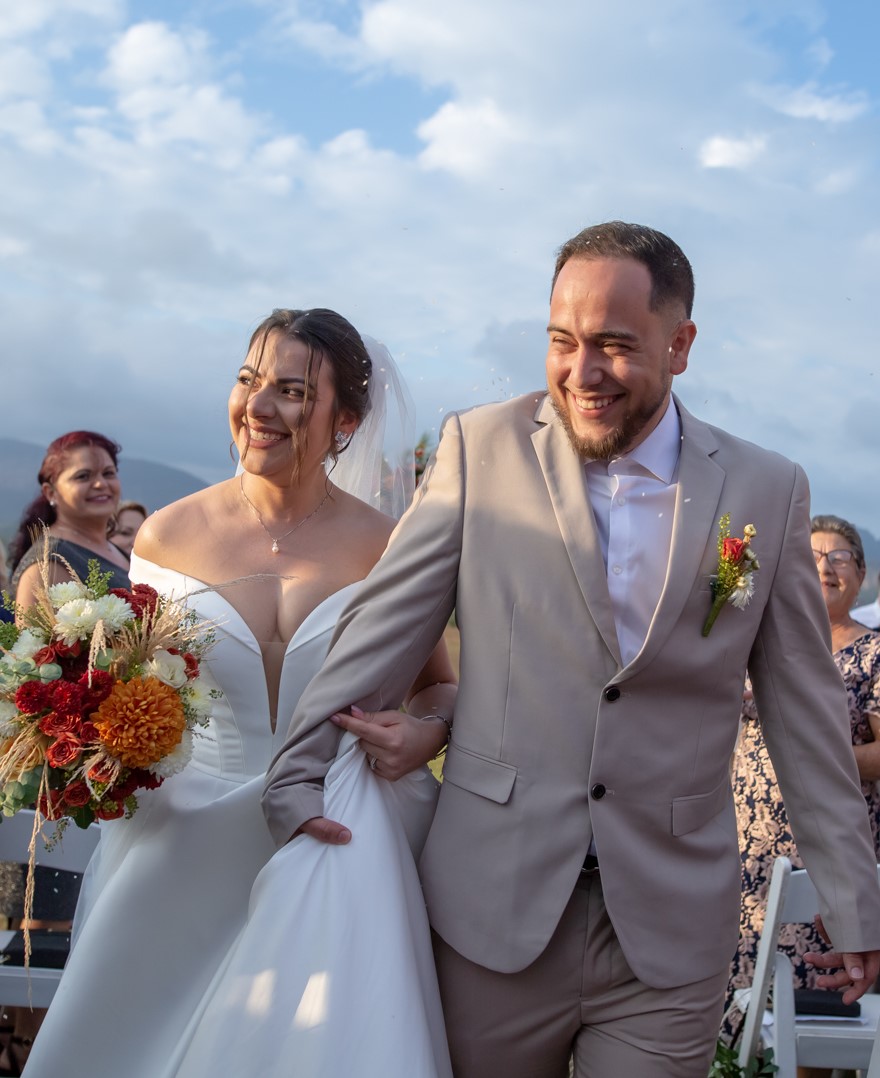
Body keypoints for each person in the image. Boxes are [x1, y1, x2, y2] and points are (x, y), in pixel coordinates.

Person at [263, 222, 880, 1078]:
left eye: (615, 346)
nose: (581, 373)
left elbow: (805, 711)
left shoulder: (765, 490)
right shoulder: (479, 449)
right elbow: (385, 627)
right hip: (489, 912)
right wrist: (296, 771)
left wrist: (853, 901)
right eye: (562, 341)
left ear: (682, 343)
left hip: (668, 936)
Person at [23, 309, 456, 1077]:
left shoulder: (387, 547)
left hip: (337, 833)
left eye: (292, 391)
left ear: (346, 421)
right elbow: (127, 682)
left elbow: (441, 692)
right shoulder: (166, 536)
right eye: (249, 380)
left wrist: (424, 733)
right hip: (182, 845)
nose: (257, 407)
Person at [726, 514, 880, 1049]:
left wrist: (810, 755)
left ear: (861, 575)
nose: (825, 567)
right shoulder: (754, 639)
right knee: (735, 1008)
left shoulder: (874, 655)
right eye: (812, 557)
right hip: (744, 855)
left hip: (820, 859)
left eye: (839, 558)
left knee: (807, 1014)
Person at [8, 430, 130, 606]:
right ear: (51, 493)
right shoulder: (47, 563)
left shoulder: (114, 549)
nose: (101, 484)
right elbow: (31, 633)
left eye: (108, 473)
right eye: (83, 476)